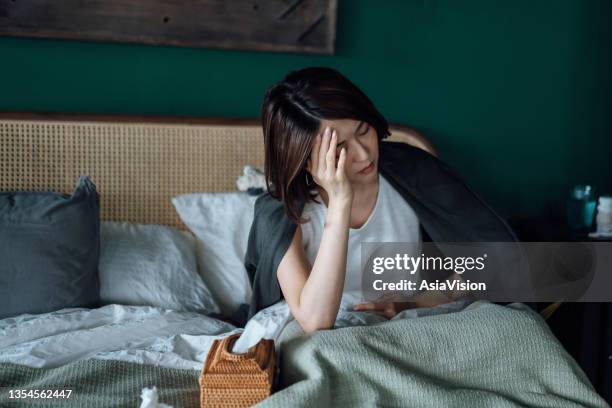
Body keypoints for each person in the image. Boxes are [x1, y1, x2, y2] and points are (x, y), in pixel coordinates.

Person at [236, 67, 521, 331]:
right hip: (331, 336)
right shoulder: (280, 211)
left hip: (411, 324)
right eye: (340, 148)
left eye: (363, 131)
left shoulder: (412, 171)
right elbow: (315, 320)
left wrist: (418, 303)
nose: (364, 154)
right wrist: (340, 201)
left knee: (518, 330)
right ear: (305, 160)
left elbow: (491, 258)